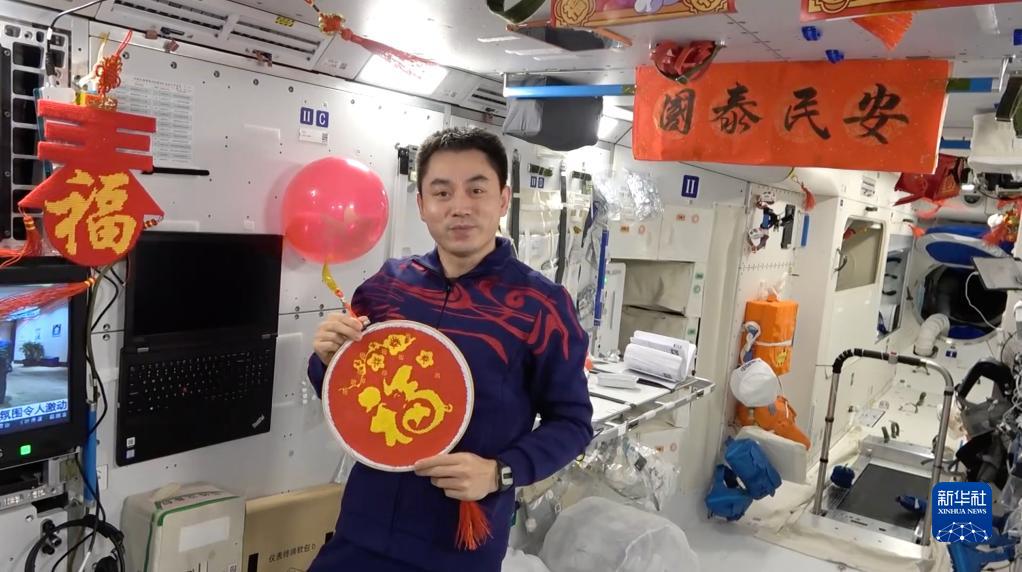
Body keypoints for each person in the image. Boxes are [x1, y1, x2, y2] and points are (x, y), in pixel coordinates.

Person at [306, 127, 594, 572]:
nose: (459, 207)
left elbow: (573, 422)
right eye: (441, 192)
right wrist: (327, 358)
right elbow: (343, 389)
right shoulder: (388, 286)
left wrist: (499, 471)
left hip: (458, 546)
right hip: (362, 528)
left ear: (503, 199)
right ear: (422, 205)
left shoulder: (540, 305)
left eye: (476, 190)